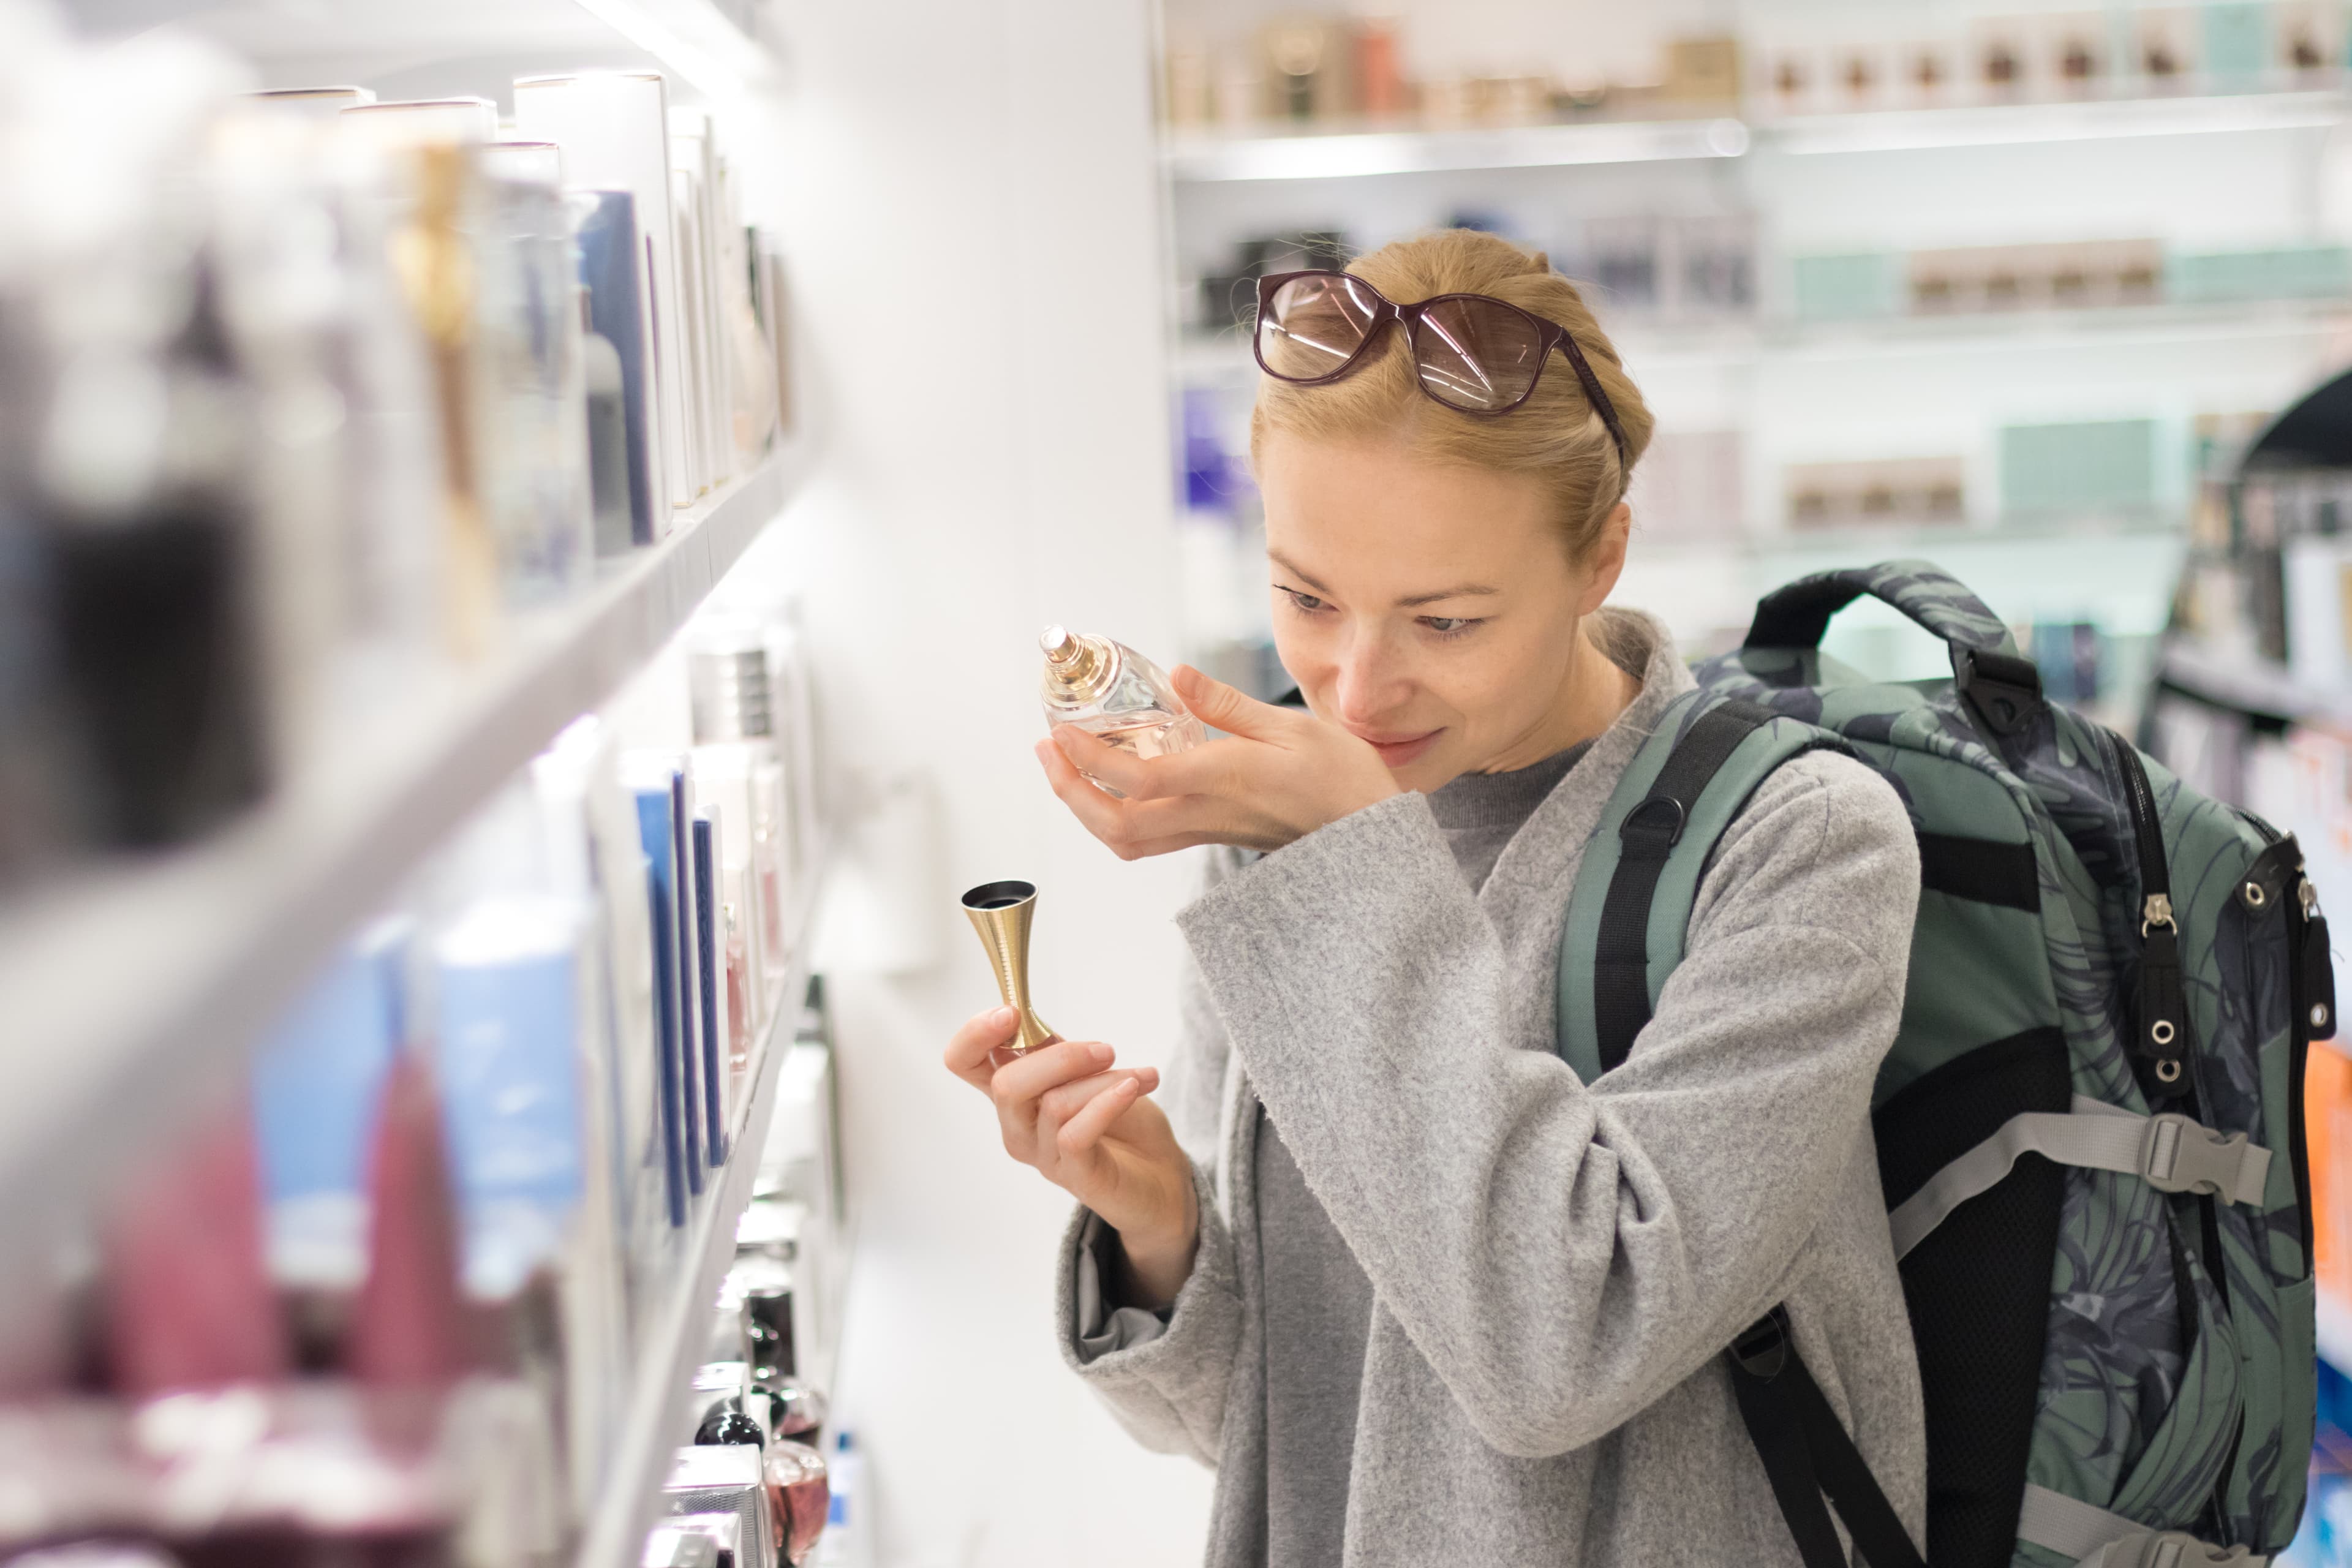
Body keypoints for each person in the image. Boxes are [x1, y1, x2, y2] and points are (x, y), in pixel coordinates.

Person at [941, 228, 1926, 1566]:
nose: (1356, 690)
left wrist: (1348, 846)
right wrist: (1162, 1222)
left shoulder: (1797, 844)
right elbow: (1281, 1429)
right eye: (1307, 598)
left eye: (1446, 620)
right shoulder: (1277, 838)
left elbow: (1559, 1354)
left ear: (1601, 556)